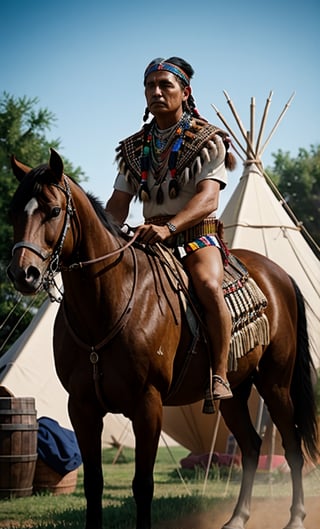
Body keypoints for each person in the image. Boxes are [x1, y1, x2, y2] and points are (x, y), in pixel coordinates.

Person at [106, 56, 236, 400]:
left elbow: (209, 200)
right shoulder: (134, 148)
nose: (156, 92)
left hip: (196, 236)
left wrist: (171, 228)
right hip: (148, 239)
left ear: (185, 91)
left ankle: (219, 375)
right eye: (150, 85)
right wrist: (104, 237)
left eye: (166, 85)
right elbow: (118, 205)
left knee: (208, 285)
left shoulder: (209, 140)